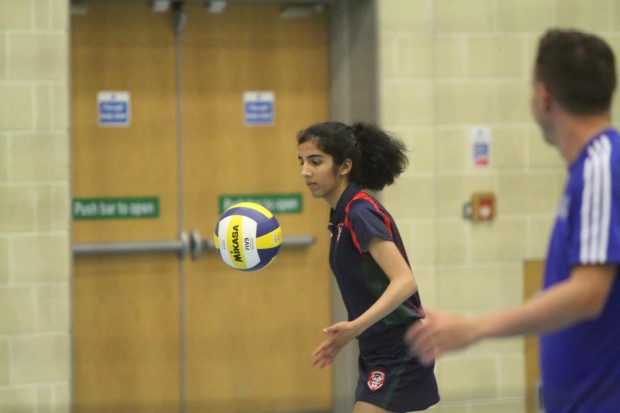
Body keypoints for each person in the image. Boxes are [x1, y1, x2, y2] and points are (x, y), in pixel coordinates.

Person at [405, 28, 620, 413]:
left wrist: (475, 327)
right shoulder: (589, 169)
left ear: (543, 96)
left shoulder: (603, 166)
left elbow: (588, 294)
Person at [297, 121, 440, 413]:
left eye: (315, 161)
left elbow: (404, 281)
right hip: (376, 350)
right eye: (301, 162)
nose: (305, 171)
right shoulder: (341, 215)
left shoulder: (360, 212)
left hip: (401, 350)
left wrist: (354, 327)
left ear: (344, 166)